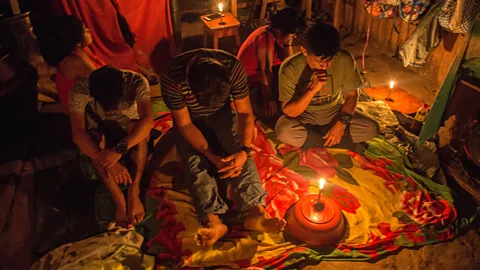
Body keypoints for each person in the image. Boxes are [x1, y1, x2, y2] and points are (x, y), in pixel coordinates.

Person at [161, 49, 286, 247]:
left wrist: (244, 151)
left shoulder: (232, 67)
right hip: (190, 120)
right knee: (194, 162)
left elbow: (244, 112)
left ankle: (255, 211)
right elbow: (185, 125)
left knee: (235, 147)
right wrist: (210, 155)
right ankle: (214, 221)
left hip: (223, 114)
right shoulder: (172, 77)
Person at [68, 65, 153, 228]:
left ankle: (133, 192)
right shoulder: (80, 90)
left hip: (129, 134)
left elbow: (148, 121)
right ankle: (118, 198)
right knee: (90, 138)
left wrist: (117, 151)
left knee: (138, 127)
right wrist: (110, 162)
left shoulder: (136, 82)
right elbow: (78, 134)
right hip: (102, 134)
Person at [275, 22, 379, 150]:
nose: (324, 66)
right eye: (319, 61)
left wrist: (341, 124)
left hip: (334, 113)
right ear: (304, 51)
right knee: (283, 131)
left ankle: (317, 140)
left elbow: (352, 95)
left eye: (330, 59)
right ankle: (333, 141)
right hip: (304, 116)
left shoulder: (345, 59)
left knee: (371, 128)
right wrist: (311, 91)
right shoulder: (290, 67)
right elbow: (289, 112)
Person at [237, 8, 305, 117]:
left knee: (296, 79)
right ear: (280, 29)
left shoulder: (275, 34)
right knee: (276, 111)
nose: (295, 36)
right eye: (293, 34)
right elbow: (265, 71)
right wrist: (269, 98)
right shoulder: (265, 38)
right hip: (250, 85)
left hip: (264, 77)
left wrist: (288, 43)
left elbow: (289, 63)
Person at [34, 15, 104, 111]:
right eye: (84, 30)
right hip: (87, 115)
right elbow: (105, 84)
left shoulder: (81, 52)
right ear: (75, 38)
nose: (89, 30)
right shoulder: (73, 62)